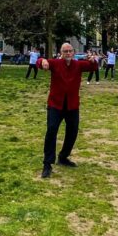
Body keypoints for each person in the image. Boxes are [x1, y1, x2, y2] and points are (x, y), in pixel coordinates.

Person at [39, 44, 98, 178]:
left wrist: (93, 60)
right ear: (61, 52)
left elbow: (92, 67)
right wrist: (43, 61)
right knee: (51, 131)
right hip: (55, 105)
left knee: (72, 132)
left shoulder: (78, 65)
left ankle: (63, 157)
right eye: (65, 51)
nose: (68, 53)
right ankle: (47, 164)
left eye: (70, 51)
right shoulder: (55, 63)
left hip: (72, 105)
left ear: (74, 52)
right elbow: (41, 63)